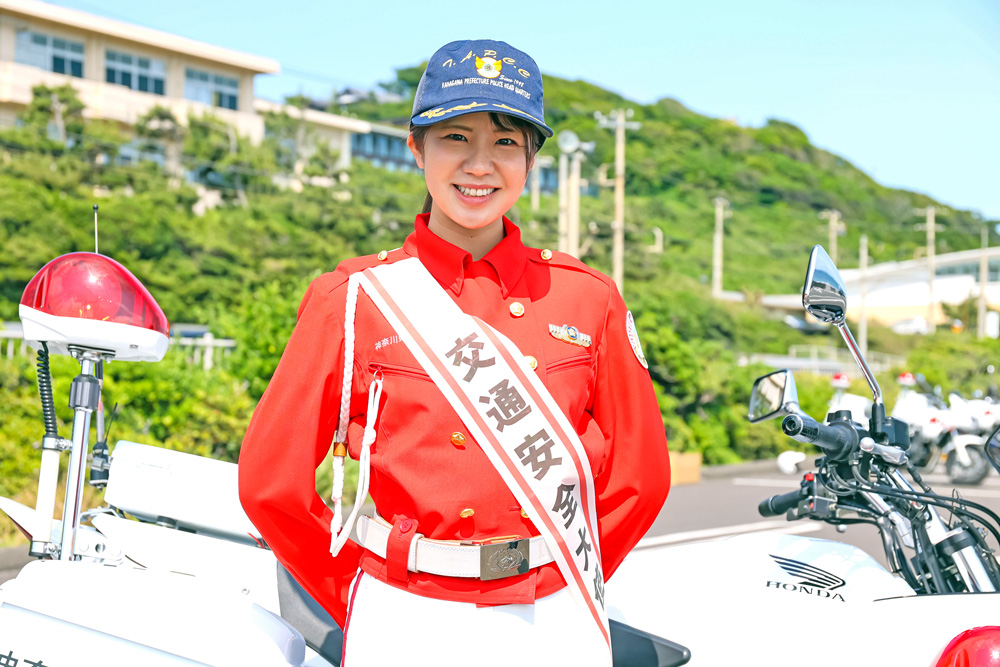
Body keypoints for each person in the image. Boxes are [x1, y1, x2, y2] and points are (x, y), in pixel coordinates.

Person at [239, 39, 670, 666]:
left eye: (505, 142)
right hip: (402, 614)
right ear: (417, 148)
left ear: (530, 160)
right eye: (455, 137)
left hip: (553, 615)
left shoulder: (587, 298)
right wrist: (355, 593)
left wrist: (568, 577)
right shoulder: (354, 298)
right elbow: (270, 485)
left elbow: (641, 478)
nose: (479, 164)